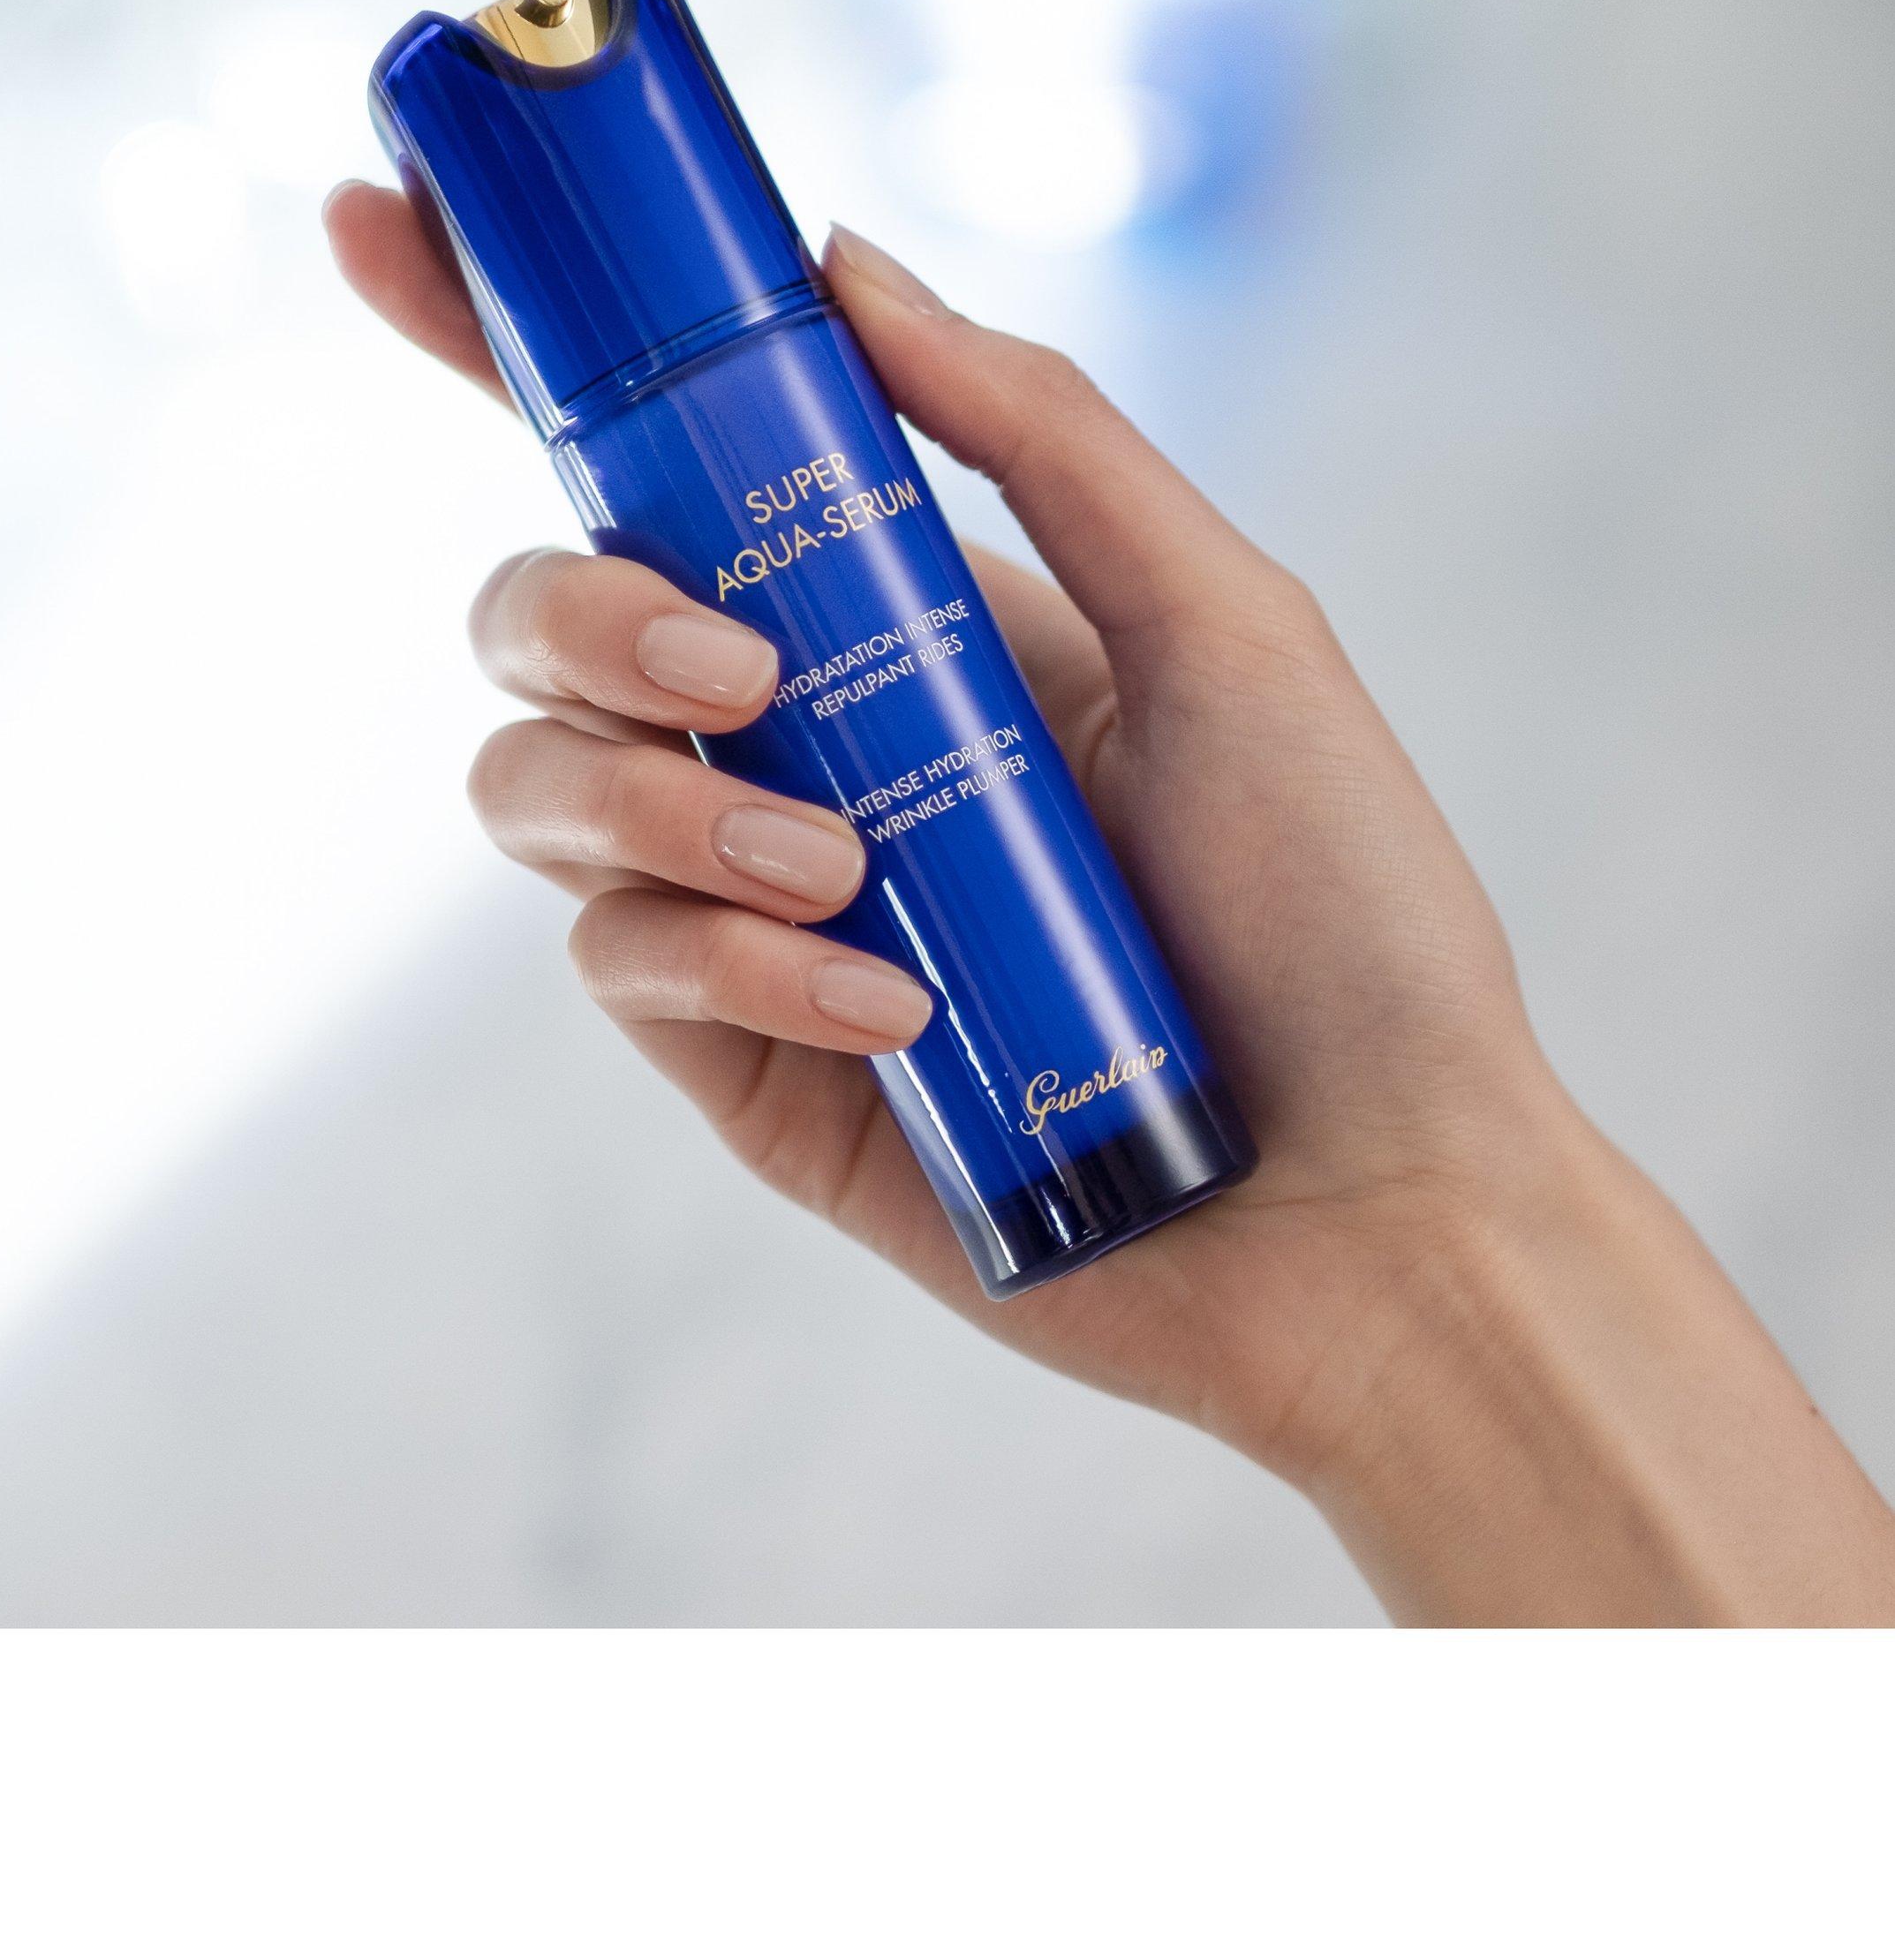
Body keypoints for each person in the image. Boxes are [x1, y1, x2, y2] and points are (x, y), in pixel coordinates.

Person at [325, 185, 1895, 1627]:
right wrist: (1401, 1306)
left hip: (1189, 1099)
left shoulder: (773, 367)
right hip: (998, 1127)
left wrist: (1420, 1216)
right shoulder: (691, 401)